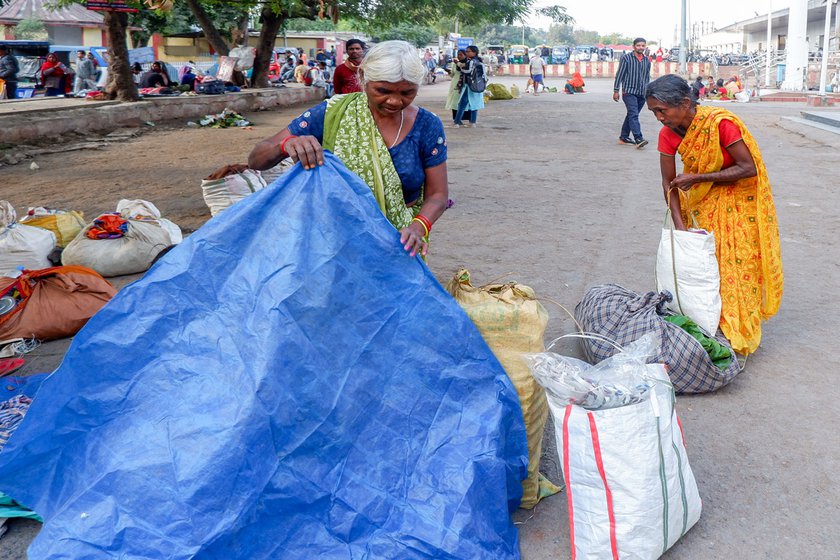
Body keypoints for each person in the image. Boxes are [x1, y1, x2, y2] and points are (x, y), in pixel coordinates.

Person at [248, 40, 448, 259]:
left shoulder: (426, 125)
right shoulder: (332, 113)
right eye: (383, 90)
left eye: (407, 93)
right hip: (333, 243)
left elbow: (437, 194)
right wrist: (286, 145)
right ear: (362, 77)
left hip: (397, 243)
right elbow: (257, 160)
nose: (394, 101)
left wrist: (420, 226)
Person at [646, 74, 783, 356]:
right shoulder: (667, 134)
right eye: (654, 112)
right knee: (706, 264)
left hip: (739, 196)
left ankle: (737, 329)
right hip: (702, 200)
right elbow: (668, 183)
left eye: (662, 110)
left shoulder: (721, 124)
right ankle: (711, 325)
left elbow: (748, 168)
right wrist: (681, 228)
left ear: (685, 103)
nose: (659, 118)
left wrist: (698, 177)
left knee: (736, 264)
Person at [613, 37, 652, 148]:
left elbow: (646, 77)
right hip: (629, 91)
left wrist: (648, 92)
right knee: (633, 114)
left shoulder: (646, 60)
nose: (641, 47)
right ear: (634, 46)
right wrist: (616, 90)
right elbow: (619, 75)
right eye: (638, 45)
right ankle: (638, 138)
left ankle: (624, 137)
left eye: (643, 46)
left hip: (642, 92)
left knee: (632, 114)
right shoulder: (626, 58)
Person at [453, 45, 484, 128]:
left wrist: (459, 65)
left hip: (469, 85)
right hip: (478, 86)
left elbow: (467, 71)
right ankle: (472, 122)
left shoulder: (471, 62)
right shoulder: (480, 61)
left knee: (462, 104)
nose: (466, 53)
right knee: (475, 104)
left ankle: (456, 123)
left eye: (468, 51)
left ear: (474, 52)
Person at [444, 49, 471, 124]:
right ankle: (457, 119)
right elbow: (453, 74)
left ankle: (465, 118)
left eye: (461, 55)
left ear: (465, 55)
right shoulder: (454, 64)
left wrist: (458, 63)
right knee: (455, 102)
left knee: (463, 102)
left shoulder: (468, 63)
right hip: (455, 85)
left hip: (464, 84)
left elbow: (466, 70)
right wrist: (448, 71)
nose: (459, 56)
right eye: (458, 54)